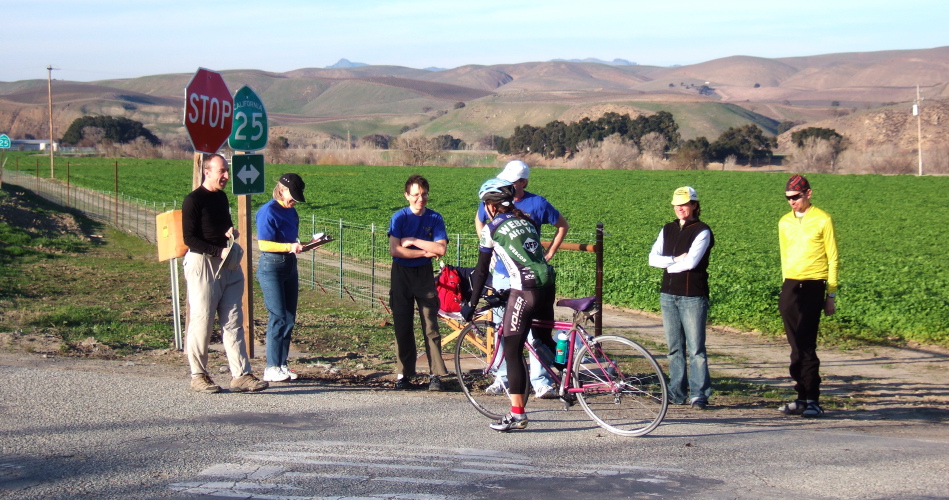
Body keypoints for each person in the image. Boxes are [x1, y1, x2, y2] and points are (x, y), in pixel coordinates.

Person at [463, 178, 557, 432]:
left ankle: (517, 415)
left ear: (491, 206)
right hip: (547, 285)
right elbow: (527, 255)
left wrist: (471, 305)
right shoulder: (526, 220)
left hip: (524, 290)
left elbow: (482, 272)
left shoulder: (491, 228)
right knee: (543, 341)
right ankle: (565, 378)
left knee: (513, 348)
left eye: (485, 205)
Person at [473, 160, 568, 399]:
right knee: (502, 329)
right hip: (505, 275)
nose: (507, 184)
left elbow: (562, 225)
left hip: (526, 280)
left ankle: (540, 382)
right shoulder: (494, 199)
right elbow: (479, 219)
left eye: (512, 181)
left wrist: (551, 252)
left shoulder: (537, 203)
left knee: (534, 334)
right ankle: (502, 377)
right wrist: (490, 244)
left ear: (523, 182)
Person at [181, 153, 268, 393]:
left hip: (227, 263)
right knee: (202, 320)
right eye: (222, 171)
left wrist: (229, 234)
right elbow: (189, 238)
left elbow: (218, 228)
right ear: (207, 171)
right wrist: (216, 251)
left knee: (233, 319)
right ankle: (198, 375)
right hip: (203, 264)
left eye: (226, 171)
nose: (227, 176)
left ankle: (241, 375)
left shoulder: (220, 198)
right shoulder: (193, 200)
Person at [777, 174, 838, 418]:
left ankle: (813, 399)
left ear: (808, 194)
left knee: (807, 344)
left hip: (814, 284)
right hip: (791, 284)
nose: (792, 202)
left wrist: (830, 294)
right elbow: (784, 254)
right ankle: (800, 398)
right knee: (794, 346)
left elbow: (833, 257)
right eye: (788, 198)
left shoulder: (823, 219)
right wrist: (785, 284)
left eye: (795, 197)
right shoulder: (784, 222)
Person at [648, 186, 714, 409]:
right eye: (677, 204)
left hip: (693, 296)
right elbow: (652, 259)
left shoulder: (703, 231)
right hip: (668, 295)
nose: (680, 208)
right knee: (674, 348)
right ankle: (676, 393)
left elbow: (692, 263)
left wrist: (668, 262)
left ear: (694, 205)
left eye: (684, 204)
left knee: (696, 349)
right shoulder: (667, 229)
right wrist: (675, 260)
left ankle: (699, 394)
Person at [388, 174, 450, 391]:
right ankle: (403, 374)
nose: (420, 199)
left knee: (430, 325)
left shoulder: (435, 218)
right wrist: (425, 252)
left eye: (423, 195)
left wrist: (413, 242)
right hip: (401, 274)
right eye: (415, 195)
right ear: (407, 196)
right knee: (402, 325)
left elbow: (441, 249)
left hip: (424, 276)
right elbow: (395, 250)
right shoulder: (399, 218)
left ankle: (436, 375)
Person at [255, 173, 307, 383]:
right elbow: (263, 244)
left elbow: (291, 239)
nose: (293, 200)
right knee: (277, 316)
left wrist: (306, 244)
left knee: (289, 317)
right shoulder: (268, 211)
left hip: (289, 265)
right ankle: (271, 367)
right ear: (281, 189)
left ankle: (283, 364)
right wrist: (289, 247)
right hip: (271, 267)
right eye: (291, 195)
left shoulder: (292, 212)